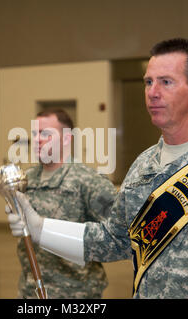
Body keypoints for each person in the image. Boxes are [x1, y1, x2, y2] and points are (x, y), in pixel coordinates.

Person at [9, 38, 188, 298]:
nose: (152, 93)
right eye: (148, 82)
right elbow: (114, 239)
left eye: (166, 82)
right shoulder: (143, 165)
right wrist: (40, 228)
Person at [7, 109, 116, 298]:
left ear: (66, 139)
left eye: (45, 133)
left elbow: (117, 234)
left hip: (76, 293)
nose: (38, 139)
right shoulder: (26, 180)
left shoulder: (88, 181)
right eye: (34, 134)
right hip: (31, 291)